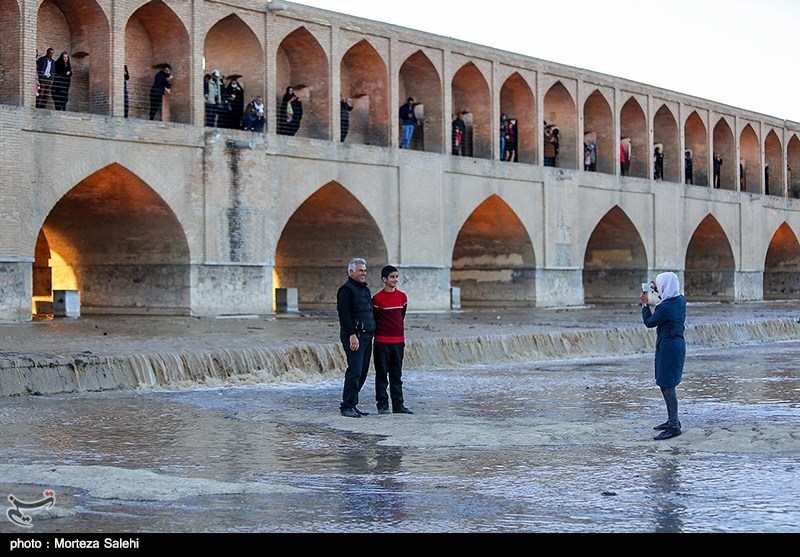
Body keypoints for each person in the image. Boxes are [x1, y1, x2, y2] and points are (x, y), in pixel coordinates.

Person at [639, 272, 686, 441]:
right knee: (667, 384)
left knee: (667, 386)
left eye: (659, 285)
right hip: (676, 346)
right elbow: (666, 298)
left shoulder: (665, 308)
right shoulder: (680, 300)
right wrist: (658, 288)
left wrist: (645, 305)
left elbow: (650, 322)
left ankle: (673, 426)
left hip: (668, 349)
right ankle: (672, 421)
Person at [337, 258, 376, 418]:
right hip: (355, 337)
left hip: (367, 337)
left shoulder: (365, 290)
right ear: (351, 272)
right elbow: (344, 315)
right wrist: (352, 335)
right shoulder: (346, 290)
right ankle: (346, 406)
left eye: (365, 270)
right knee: (354, 371)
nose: (364, 273)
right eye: (360, 270)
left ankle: (353, 404)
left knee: (362, 372)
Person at [372, 265, 414, 415]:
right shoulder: (376, 298)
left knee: (396, 375)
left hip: (398, 342)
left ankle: (398, 405)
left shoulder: (402, 297)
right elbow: (375, 319)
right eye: (392, 277)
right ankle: (382, 406)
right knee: (382, 375)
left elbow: (401, 316)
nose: (395, 280)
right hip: (381, 342)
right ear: (384, 279)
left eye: (396, 277)